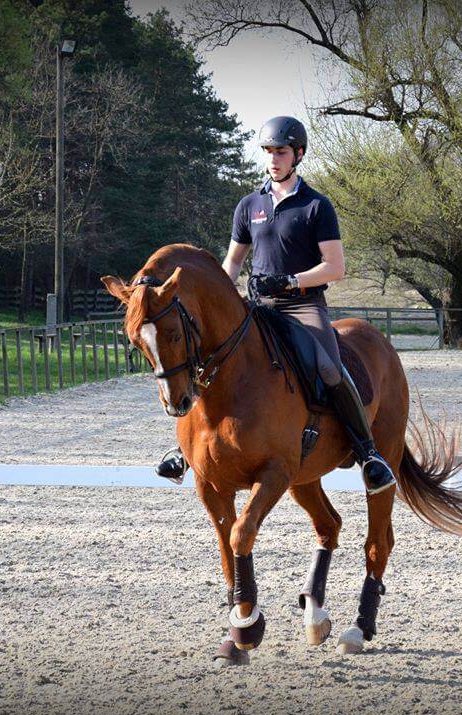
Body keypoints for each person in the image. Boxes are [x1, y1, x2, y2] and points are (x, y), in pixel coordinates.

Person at [156, 116, 396, 494]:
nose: (273, 159)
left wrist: (291, 280)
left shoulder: (317, 206)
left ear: (297, 154)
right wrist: (220, 295)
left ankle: (368, 454)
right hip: (258, 305)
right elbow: (233, 263)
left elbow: (336, 267)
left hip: (303, 306)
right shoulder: (250, 205)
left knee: (330, 369)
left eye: (281, 152)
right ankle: (187, 450)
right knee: (209, 359)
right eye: (268, 152)